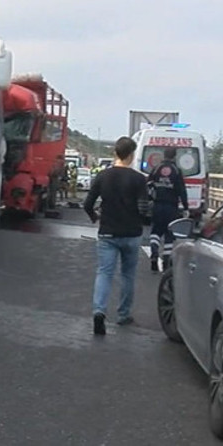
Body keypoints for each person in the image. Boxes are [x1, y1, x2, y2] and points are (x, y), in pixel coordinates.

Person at [84, 137, 149, 335]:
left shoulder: (103, 176)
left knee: (104, 273)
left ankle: (99, 311)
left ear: (115, 153)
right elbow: (144, 209)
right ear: (131, 155)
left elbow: (87, 203)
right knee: (128, 275)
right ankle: (123, 314)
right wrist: (140, 220)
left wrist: (95, 216)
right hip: (131, 233)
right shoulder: (139, 179)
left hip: (107, 232)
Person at [146, 148, 189, 272]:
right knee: (169, 234)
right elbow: (182, 190)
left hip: (157, 205)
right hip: (171, 207)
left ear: (164, 155)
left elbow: (148, 185)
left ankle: (154, 253)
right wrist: (186, 207)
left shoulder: (156, 169)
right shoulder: (176, 170)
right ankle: (166, 261)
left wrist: (150, 199)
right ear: (174, 156)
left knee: (156, 231)